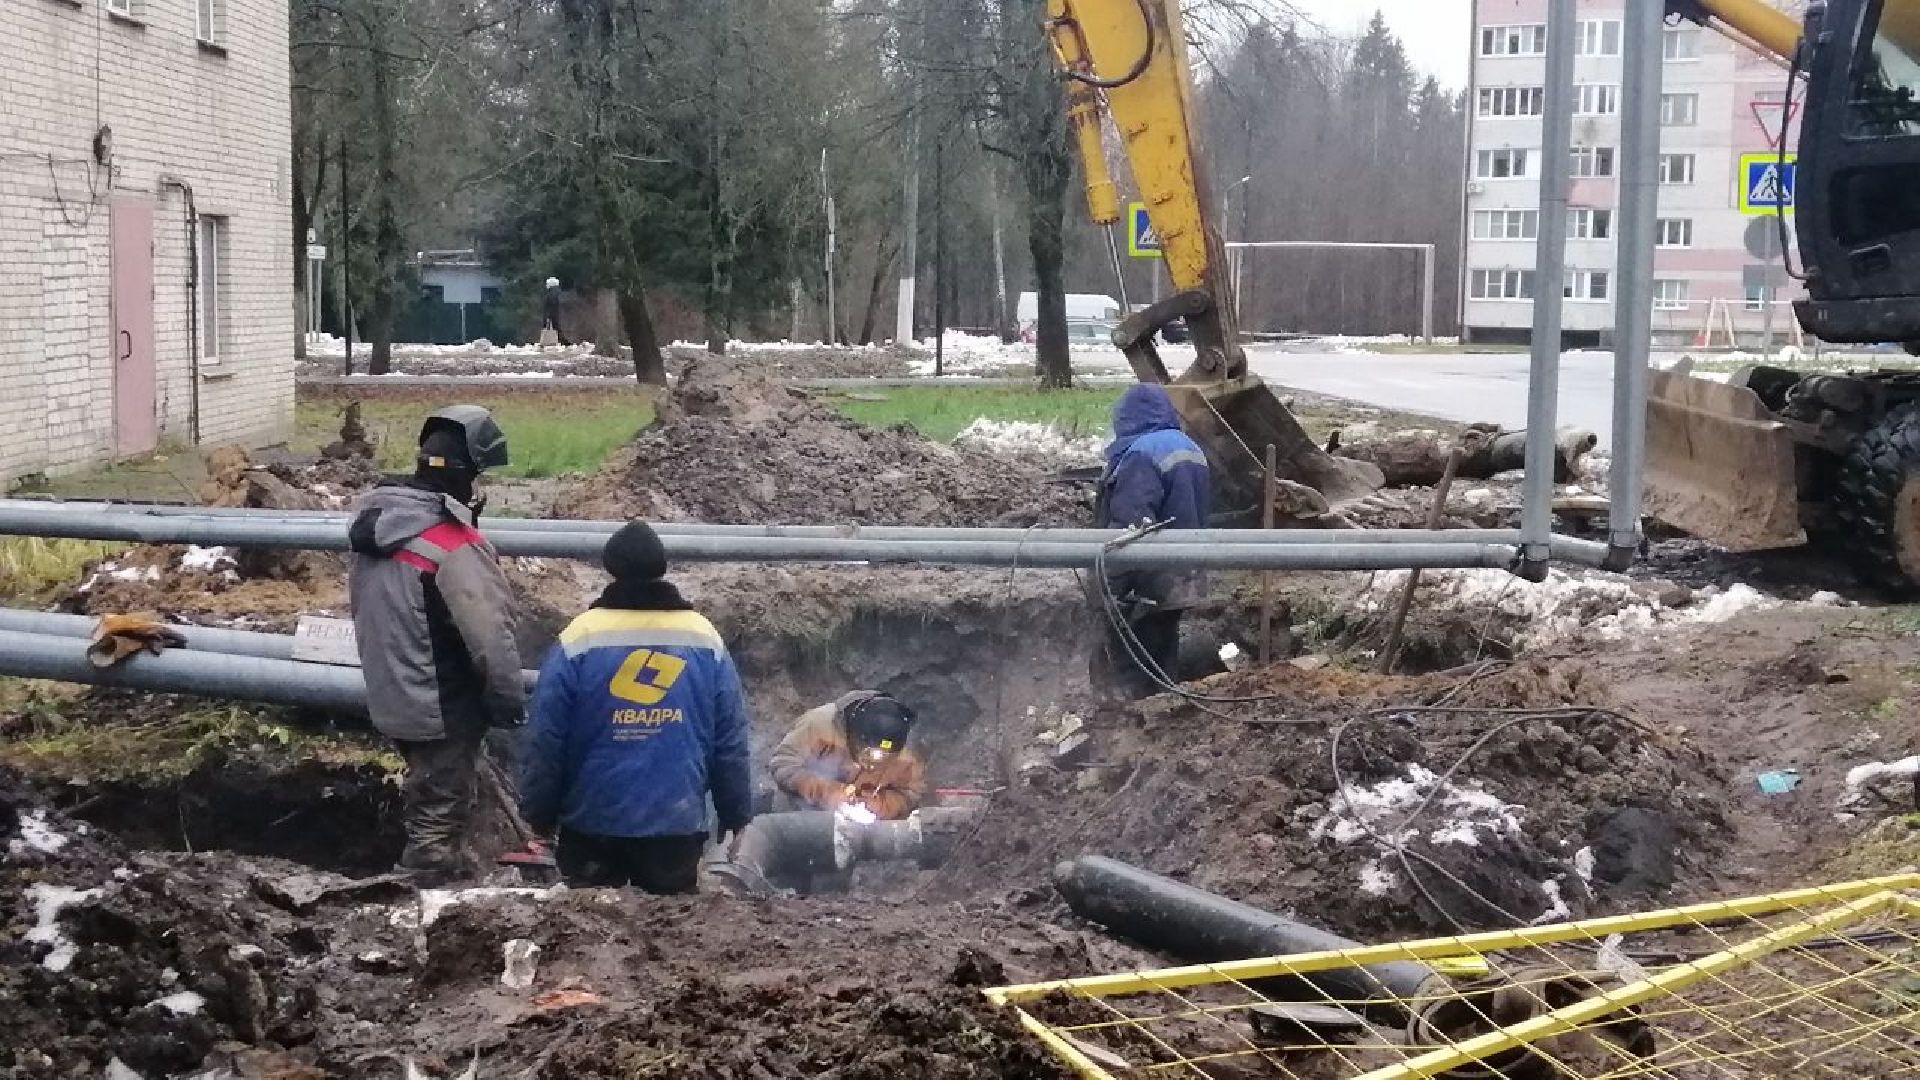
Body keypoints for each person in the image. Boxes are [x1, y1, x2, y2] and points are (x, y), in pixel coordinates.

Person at [519, 521, 753, 893]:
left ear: (610, 567)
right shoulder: (703, 637)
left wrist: (539, 814)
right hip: (674, 823)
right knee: (673, 922)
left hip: (592, 821)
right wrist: (735, 812)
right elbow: (729, 738)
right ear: (661, 567)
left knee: (587, 921)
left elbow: (547, 736)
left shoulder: (580, 636)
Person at [348, 406, 525, 885]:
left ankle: (445, 871)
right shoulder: (451, 545)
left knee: (430, 786)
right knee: (438, 814)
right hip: (441, 696)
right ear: (468, 477)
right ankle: (422, 892)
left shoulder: (381, 527)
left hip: (393, 688)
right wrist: (507, 699)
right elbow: (490, 635)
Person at [1093, 383, 1211, 700]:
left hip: (1148, 582)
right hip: (1185, 573)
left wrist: (1110, 587)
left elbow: (1129, 529)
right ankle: (1164, 709)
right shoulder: (1189, 446)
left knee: (1133, 662)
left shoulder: (1140, 456)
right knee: (1163, 650)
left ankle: (1132, 714)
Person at [768, 692, 926, 821]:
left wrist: (877, 805)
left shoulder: (907, 756)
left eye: (886, 756)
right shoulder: (820, 725)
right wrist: (826, 792)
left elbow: (909, 794)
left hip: (859, 831)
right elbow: (783, 763)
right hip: (797, 816)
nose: (874, 762)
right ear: (854, 736)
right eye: (869, 753)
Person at [541, 276, 568, 346]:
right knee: (557, 328)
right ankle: (563, 342)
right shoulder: (558, 293)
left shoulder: (551, 294)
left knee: (555, 328)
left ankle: (563, 342)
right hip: (557, 314)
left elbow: (549, 306)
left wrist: (547, 316)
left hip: (553, 315)